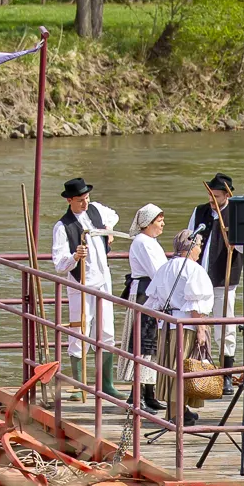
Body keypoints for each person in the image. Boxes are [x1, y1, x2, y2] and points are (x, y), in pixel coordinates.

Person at [48, 177, 117, 394]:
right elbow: (59, 263)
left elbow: (113, 215)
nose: (85, 203)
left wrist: (109, 229)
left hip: (103, 280)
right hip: (81, 283)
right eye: (80, 200)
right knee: (80, 331)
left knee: (107, 330)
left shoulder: (96, 210)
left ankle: (107, 384)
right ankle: (79, 385)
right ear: (69, 200)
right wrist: (75, 257)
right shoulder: (63, 226)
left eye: (87, 198)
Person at [145, 229, 217, 423]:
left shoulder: (165, 268)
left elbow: (152, 302)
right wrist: (201, 329)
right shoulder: (192, 269)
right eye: (199, 245)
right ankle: (176, 415)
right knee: (182, 366)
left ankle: (178, 411)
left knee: (171, 366)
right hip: (185, 325)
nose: (200, 250)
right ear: (191, 247)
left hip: (166, 325)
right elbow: (195, 303)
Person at [186, 173, 241, 365]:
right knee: (198, 322)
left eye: (216, 196)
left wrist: (231, 232)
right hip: (199, 277)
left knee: (225, 325)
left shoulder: (236, 213)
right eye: (210, 195)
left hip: (223, 278)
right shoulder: (200, 211)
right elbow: (189, 239)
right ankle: (200, 365)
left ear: (227, 196)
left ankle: (226, 369)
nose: (211, 200)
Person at [124, 203, 170, 414]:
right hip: (145, 294)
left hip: (153, 293)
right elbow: (157, 271)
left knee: (152, 345)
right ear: (148, 223)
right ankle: (136, 395)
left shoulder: (151, 242)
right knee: (142, 343)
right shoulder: (142, 242)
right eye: (159, 221)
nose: (162, 224)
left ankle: (149, 393)